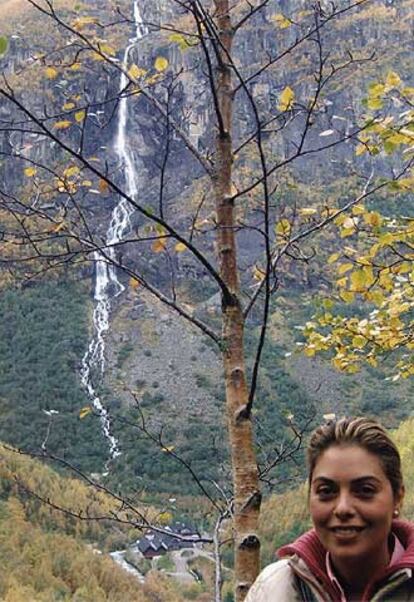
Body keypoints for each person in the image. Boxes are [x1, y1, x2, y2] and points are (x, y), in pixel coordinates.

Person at [245, 416, 414, 601]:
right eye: (326, 491)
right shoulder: (273, 590)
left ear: (398, 497)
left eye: (365, 490)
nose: (342, 508)